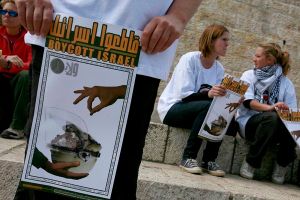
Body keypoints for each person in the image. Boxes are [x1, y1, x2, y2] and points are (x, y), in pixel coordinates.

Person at [14, 0, 203, 199]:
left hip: (141, 42)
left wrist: (179, 15)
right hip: (59, 27)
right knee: (39, 186)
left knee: (116, 180)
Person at [157, 24, 236, 177]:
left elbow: (216, 99)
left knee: (223, 110)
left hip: (197, 114)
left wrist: (232, 100)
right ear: (211, 40)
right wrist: (209, 94)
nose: (228, 44)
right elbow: (185, 95)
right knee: (208, 107)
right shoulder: (190, 59)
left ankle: (209, 160)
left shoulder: (218, 68)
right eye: (224, 39)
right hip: (173, 109)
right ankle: (188, 157)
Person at [236, 43, 297, 184]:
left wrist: (283, 110)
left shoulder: (286, 84)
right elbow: (247, 102)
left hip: (275, 129)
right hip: (249, 124)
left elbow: (292, 115)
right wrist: (271, 107)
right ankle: (251, 163)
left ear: (269, 60)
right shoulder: (248, 75)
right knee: (271, 117)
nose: (254, 59)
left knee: (293, 123)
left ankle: (282, 165)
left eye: (257, 56)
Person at [0, 0, 32, 139]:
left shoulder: (30, 37)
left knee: (25, 75)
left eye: (12, 13)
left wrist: (7, 64)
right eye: (4, 11)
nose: (6, 15)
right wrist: (6, 58)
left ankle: (17, 128)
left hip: (18, 82)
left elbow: (31, 65)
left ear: (22, 17)